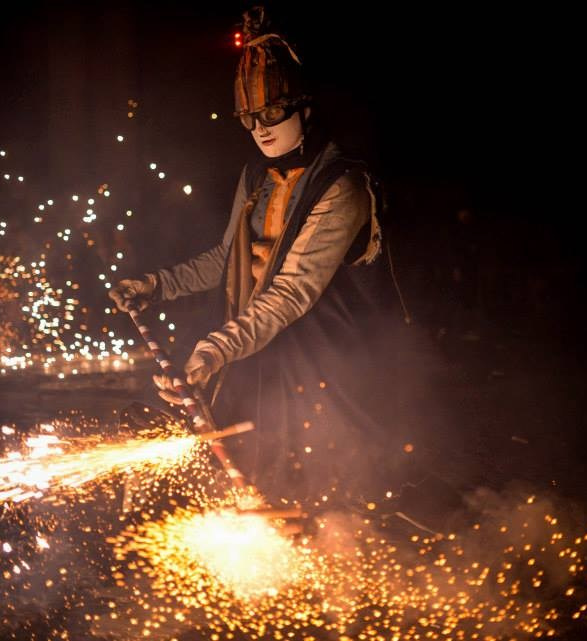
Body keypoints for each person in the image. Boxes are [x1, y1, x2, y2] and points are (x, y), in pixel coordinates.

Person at [110, 7, 419, 507]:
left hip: (329, 350)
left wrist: (217, 348)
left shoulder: (344, 186)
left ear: (305, 108)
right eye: (249, 119)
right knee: (226, 428)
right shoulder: (256, 176)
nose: (261, 128)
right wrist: (156, 284)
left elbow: (292, 290)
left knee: (333, 470)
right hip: (258, 334)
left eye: (273, 113)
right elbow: (227, 258)